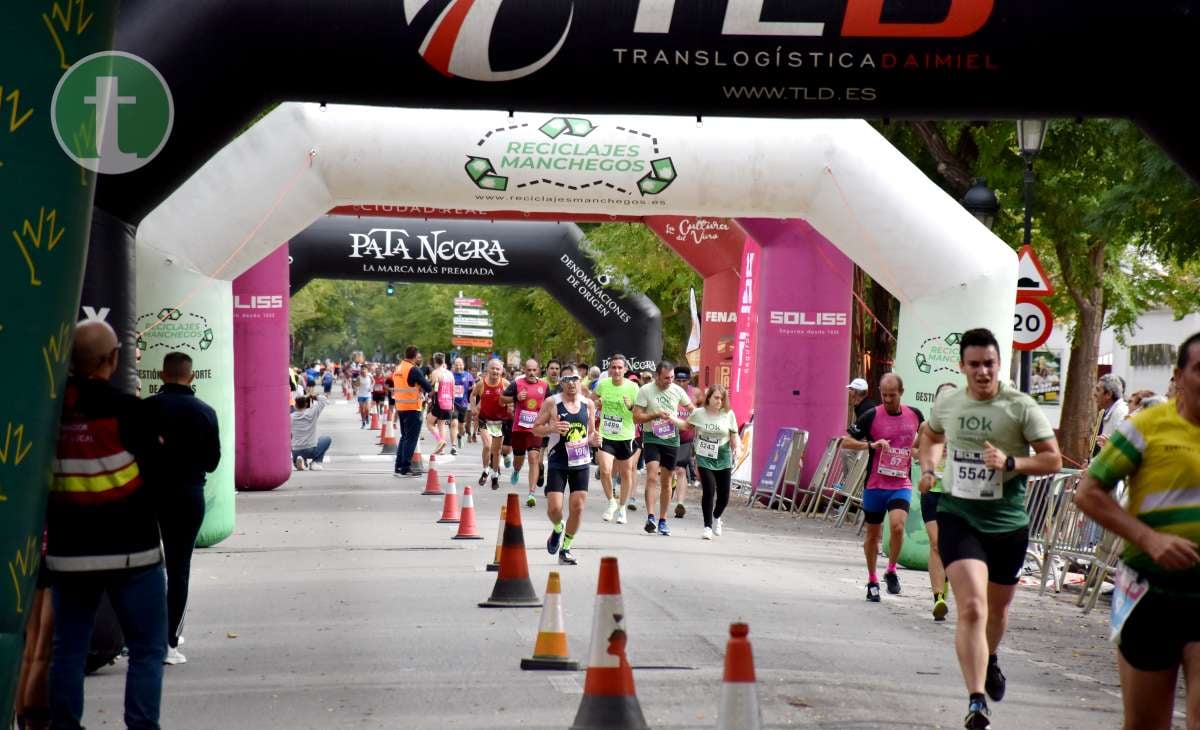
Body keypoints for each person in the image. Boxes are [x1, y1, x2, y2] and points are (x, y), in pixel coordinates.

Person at [917, 328, 1062, 730]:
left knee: (997, 610)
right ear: (962, 366)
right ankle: (976, 699)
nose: (983, 372)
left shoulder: (1020, 407)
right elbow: (929, 435)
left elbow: (1052, 459)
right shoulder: (950, 404)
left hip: (1008, 522)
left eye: (990, 364)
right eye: (975, 364)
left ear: (999, 365)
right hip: (959, 515)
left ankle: (991, 657)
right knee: (973, 606)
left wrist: (1012, 463)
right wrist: (929, 468)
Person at [1074, 331, 1200, 730]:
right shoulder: (1144, 428)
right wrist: (1149, 538)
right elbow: (1088, 493)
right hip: (1151, 591)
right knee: (1145, 723)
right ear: (1180, 376)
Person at [47, 320, 166, 730]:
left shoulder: (50, 412)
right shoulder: (131, 410)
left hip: (69, 554)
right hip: (134, 553)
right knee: (148, 650)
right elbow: (158, 476)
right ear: (112, 360)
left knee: (67, 650)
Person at [142, 352, 221, 665]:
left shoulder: (144, 410)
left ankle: (140, 636)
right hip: (188, 494)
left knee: (143, 569)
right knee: (178, 568)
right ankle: (168, 642)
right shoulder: (205, 412)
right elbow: (213, 462)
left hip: (147, 495)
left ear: (162, 375)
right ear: (191, 377)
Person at [843, 373, 924, 602]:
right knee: (873, 534)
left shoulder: (914, 415)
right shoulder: (871, 416)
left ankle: (890, 570)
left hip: (901, 483)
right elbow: (845, 441)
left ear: (902, 392)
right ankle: (872, 579)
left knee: (898, 527)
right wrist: (871, 444)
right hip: (875, 485)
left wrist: (919, 453)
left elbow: (926, 437)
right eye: (884, 395)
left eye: (892, 395)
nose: (888, 399)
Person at [531, 364, 597, 565]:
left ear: (581, 379)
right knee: (555, 509)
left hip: (581, 460)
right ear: (561, 382)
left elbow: (592, 431)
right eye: (567, 380)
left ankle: (566, 548)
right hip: (558, 460)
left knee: (577, 507)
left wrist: (594, 439)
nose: (571, 384)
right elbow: (535, 428)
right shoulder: (552, 403)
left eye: (575, 379)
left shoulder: (588, 404)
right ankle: (558, 529)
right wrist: (551, 427)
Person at [633, 361, 694, 536]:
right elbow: (636, 417)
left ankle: (663, 519)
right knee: (652, 475)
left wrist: (685, 423)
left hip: (671, 439)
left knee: (667, 481)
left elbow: (693, 410)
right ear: (657, 376)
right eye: (666, 378)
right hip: (652, 436)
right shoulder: (645, 390)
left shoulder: (677, 391)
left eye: (672, 378)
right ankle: (650, 516)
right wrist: (655, 414)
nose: (670, 381)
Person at [920, 382, 959, 622]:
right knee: (935, 543)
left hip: (954, 493)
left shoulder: (962, 429)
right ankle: (938, 599)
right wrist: (925, 465)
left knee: (950, 545)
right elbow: (916, 449)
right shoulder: (926, 426)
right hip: (932, 491)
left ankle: (945, 585)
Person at [590, 355, 641, 524]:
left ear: (625, 370)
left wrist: (631, 406)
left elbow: (640, 413)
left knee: (626, 473)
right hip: (606, 434)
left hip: (626, 436)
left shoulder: (633, 388)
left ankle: (623, 508)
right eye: (613, 367)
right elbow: (590, 402)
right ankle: (611, 502)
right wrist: (596, 402)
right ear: (609, 369)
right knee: (605, 470)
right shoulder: (603, 385)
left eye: (620, 367)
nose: (617, 371)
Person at [685, 384, 740, 540]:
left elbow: (734, 433)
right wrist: (671, 419)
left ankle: (716, 517)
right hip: (704, 456)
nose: (719, 401)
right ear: (708, 397)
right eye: (716, 397)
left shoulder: (728, 414)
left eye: (722, 399)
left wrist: (735, 447)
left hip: (723, 455)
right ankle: (707, 526)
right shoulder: (699, 413)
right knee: (709, 489)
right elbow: (685, 425)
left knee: (725, 496)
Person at [502, 359, 549, 506]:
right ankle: (516, 471)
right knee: (518, 461)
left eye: (534, 370)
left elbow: (551, 403)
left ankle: (531, 493)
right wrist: (516, 398)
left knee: (534, 459)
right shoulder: (517, 384)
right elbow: (502, 399)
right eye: (529, 370)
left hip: (535, 430)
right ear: (524, 370)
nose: (531, 373)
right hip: (519, 429)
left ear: (538, 371)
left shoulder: (544, 386)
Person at [392, 347, 434, 477]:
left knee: (404, 437)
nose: (420, 358)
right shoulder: (413, 369)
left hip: (401, 407)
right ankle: (405, 467)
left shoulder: (399, 368)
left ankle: (399, 466)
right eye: (419, 356)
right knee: (411, 439)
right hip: (412, 408)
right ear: (415, 356)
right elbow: (428, 387)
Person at [472, 358, 510, 490]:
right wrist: (473, 407)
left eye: (497, 369)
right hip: (484, 419)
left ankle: (494, 475)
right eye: (492, 368)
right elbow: (472, 395)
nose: (495, 371)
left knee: (496, 450)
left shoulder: (505, 384)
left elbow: (513, 397)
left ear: (501, 371)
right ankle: (485, 470)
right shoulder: (481, 384)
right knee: (487, 446)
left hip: (500, 421)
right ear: (487, 370)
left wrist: (511, 406)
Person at [670, 366, 701, 519]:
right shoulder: (667, 391)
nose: (681, 383)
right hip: (667, 436)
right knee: (668, 471)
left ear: (689, 380)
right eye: (678, 380)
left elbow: (703, 411)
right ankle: (668, 494)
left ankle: (680, 504)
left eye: (684, 380)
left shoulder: (695, 393)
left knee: (681, 470)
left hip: (685, 438)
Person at [1093, 373, 1129, 456]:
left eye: (1098, 390)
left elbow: (1121, 450)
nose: (1094, 394)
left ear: (1108, 394)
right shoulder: (1109, 412)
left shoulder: (1120, 413)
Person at [426, 353, 454, 456]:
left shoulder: (436, 373)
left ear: (435, 361)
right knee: (441, 424)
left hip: (439, 402)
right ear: (443, 361)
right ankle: (441, 449)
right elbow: (453, 390)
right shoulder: (450, 374)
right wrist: (452, 403)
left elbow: (434, 388)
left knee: (429, 422)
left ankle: (440, 441)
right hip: (448, 402)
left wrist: (429, 395)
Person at [451, 357, 474, 451]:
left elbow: (474, 386)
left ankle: (460, 436)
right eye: (456, 364)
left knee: (461, 427)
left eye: (460, 364)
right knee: (453, 423)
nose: (458, 366)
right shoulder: (450, 375)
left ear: (463, 366)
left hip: (463, 404)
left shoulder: (468, 375)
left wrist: (469, 391)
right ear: (454, 366)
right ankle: (453, 445)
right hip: (453, 403)